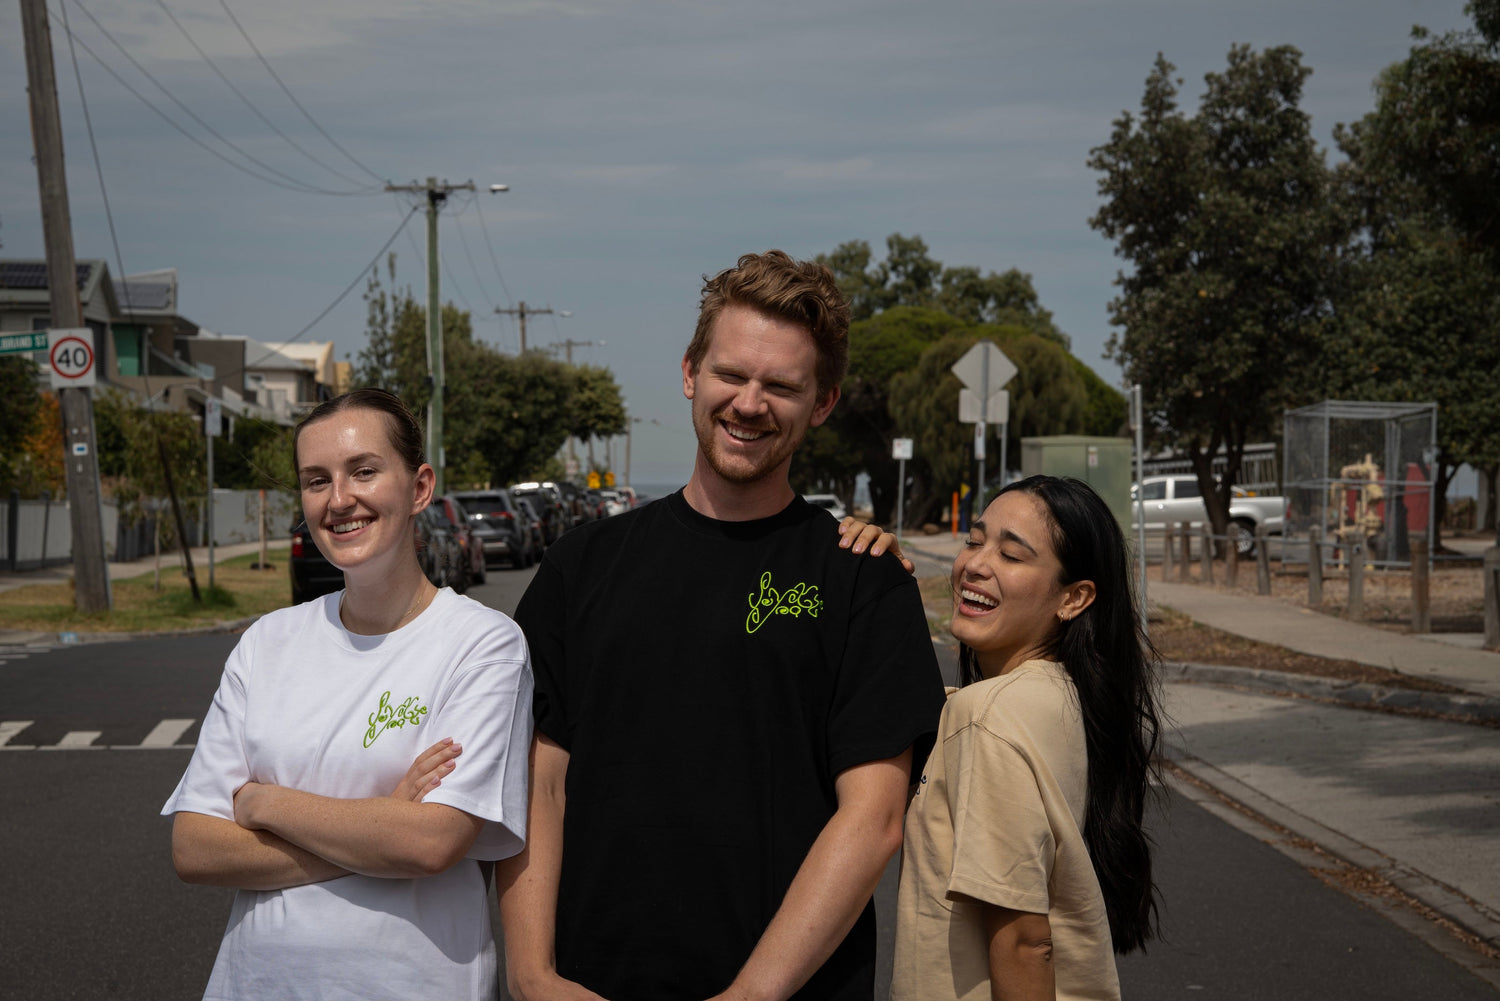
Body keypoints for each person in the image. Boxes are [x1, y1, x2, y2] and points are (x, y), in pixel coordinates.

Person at [501, 250, 947, 1001]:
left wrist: (748, 996)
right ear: (690, 373)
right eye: (731, 374)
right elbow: (537, 781)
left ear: (823, 402)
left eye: (782, 386)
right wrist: (531, 974)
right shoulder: (582, 565)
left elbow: (873, 819)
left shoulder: (863, 579)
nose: (749, 403)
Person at [162, 389, 533, 1001]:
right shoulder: (266, 642)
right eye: (316, 480)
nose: (338, 500)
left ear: (419, 488)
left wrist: (262, 803)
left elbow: (431, 842)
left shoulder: (482, 644)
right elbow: (195, 848)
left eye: (363, 471)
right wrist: (382, 822)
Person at [888, 476, 1162, 1001]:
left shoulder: (988, 717)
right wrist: (875, 583)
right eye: (974, 541)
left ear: (1074, 598)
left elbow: (1024, 942)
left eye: (1011, 555)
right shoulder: (1060, 693)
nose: (976, 564)